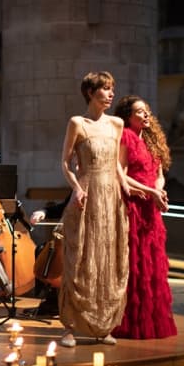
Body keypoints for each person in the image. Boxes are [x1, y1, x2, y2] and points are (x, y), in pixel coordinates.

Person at [58, 71, 130, 347]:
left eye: (112, 88)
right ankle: (70, 327)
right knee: (80, 260)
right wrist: (76, 187)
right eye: (105, 88)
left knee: (108, 260)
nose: (111, 93)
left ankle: (103, 326)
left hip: (111, 199)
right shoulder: (77, 123)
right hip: (86, 197)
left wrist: (128, 187)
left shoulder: (117, 124)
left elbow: (116, 165)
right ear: (90, 92)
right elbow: (65, 163)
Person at [112, 95, 177, 339]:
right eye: (139, 111)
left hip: (151, 208)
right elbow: (121, 174)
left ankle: (151, 320)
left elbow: (159, 174)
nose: (146, 114)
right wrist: (151, 192)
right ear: (128, 117)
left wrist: (159, 190)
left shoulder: (151, 140)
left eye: (146, 110)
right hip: (134, 205)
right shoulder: (126, 136)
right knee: (135, 262)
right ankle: (130, 322)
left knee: (152, 262)